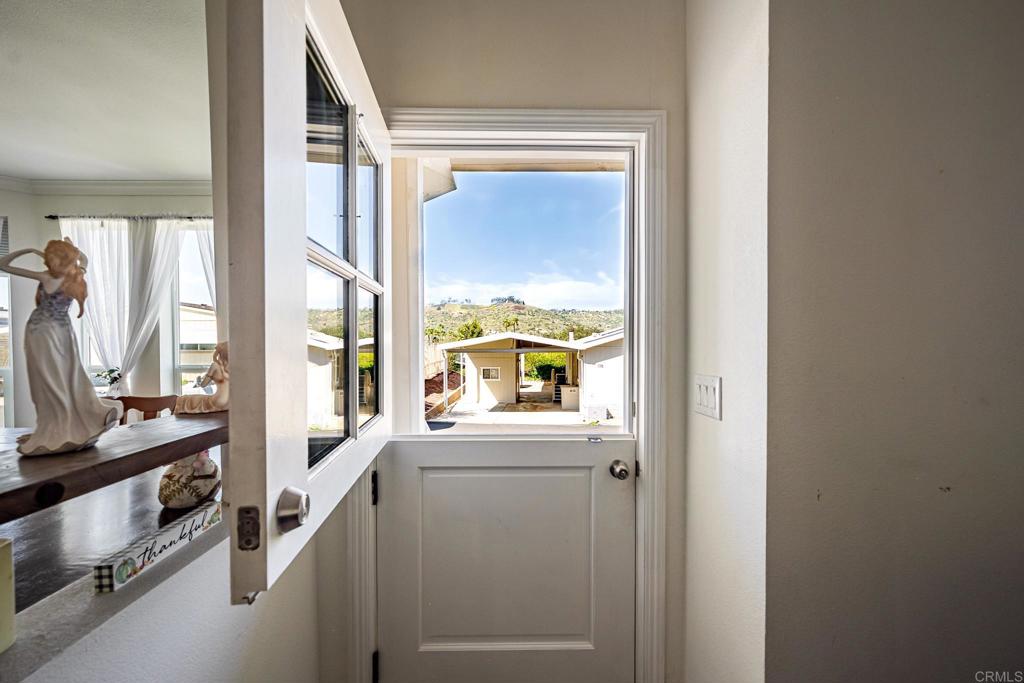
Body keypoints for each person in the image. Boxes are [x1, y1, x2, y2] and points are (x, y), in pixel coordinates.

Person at [0, 237, 121, 455]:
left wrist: (30, 248)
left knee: (55, 379)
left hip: (45, 331)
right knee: (62, 378)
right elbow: (84, 258)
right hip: (60, 330)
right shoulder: (75, 275)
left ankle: (62, 427)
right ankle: (64, 426)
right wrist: (64, 249)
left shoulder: (49, 276)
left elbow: (3, 264)